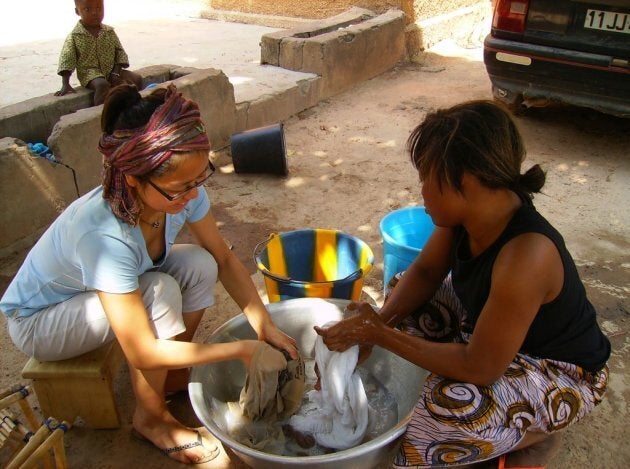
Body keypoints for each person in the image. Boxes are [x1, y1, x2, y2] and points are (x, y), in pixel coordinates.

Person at [1, 83, 298, 464]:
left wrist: (264, 325)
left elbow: (223, 258)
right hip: (40, 321)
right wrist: (242, 350)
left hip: (98, 298)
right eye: (180, 188)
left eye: (199, 179)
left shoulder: (179, 191)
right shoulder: (102, 233)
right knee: (158, 291)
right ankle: (150, 417)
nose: (193, 195)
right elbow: (140, 349)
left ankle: (171, 375)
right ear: (132, 179)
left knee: (199, 264)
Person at [315, 100, 610, 468]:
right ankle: (495, 409)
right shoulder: (462, 218)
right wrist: (378, 323)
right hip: (492, 338)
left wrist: (379, 335)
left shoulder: (527, 254)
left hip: (558, 371)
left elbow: (482, 367)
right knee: (406, 290)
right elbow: (424, 274)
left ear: (465, 181)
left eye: (426, 177)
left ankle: (530, 434)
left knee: (437, 414)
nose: (421, 189)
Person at [55, 0, 143, 106]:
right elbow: (67, 58)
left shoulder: (109, 32)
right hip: (90, 73)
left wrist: (116, 72)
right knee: (102, 85)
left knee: (137, 78)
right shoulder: (75, 36)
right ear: (77, 11)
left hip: (112, 69)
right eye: (88, 9)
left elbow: (120, 52)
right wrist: (65, 83)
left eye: (99, 8)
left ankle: (137, 108)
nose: (94, 13)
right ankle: (101, 113)